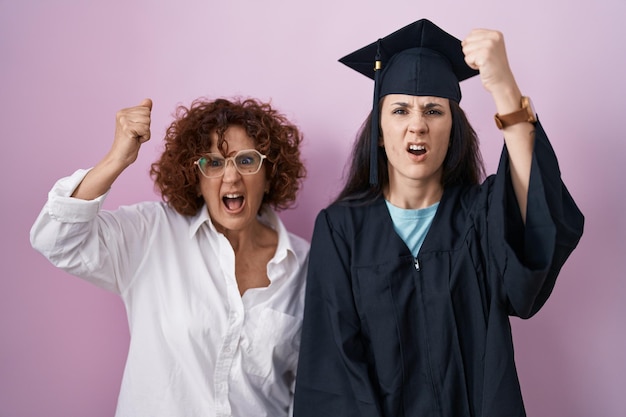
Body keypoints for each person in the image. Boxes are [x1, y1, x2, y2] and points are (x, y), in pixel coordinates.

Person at [292, 19, 584, 417]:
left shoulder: (480, 217)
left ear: (453, 128)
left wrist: (504, 88)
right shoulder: (342, 230)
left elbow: (537, 230)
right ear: (379, 130)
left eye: (434, 110)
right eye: (399, 110)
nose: (418, 125)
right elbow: (331, 373)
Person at [30, 96, 309, 417]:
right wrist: (116, 160)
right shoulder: (153, 234)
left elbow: (305, 388)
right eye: (214, 163)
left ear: (270, 173)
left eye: (247, 161)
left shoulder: (305, 265)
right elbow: (55, 238)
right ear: (196, 177)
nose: (231, 177)